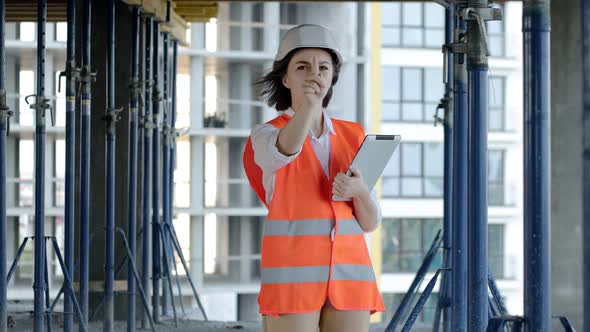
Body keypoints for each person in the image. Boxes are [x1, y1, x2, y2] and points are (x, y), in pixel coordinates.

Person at [242, 24, 385, 332]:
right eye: (302, 66)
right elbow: (286, 150)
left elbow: (370, 222)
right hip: (293, 282)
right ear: (285, 77)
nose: (314, 74)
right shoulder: (266, 135)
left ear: (332, 76)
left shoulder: (355, 134)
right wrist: (308, 106)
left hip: (351, 280)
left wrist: (360, 191)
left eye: (323, 67)